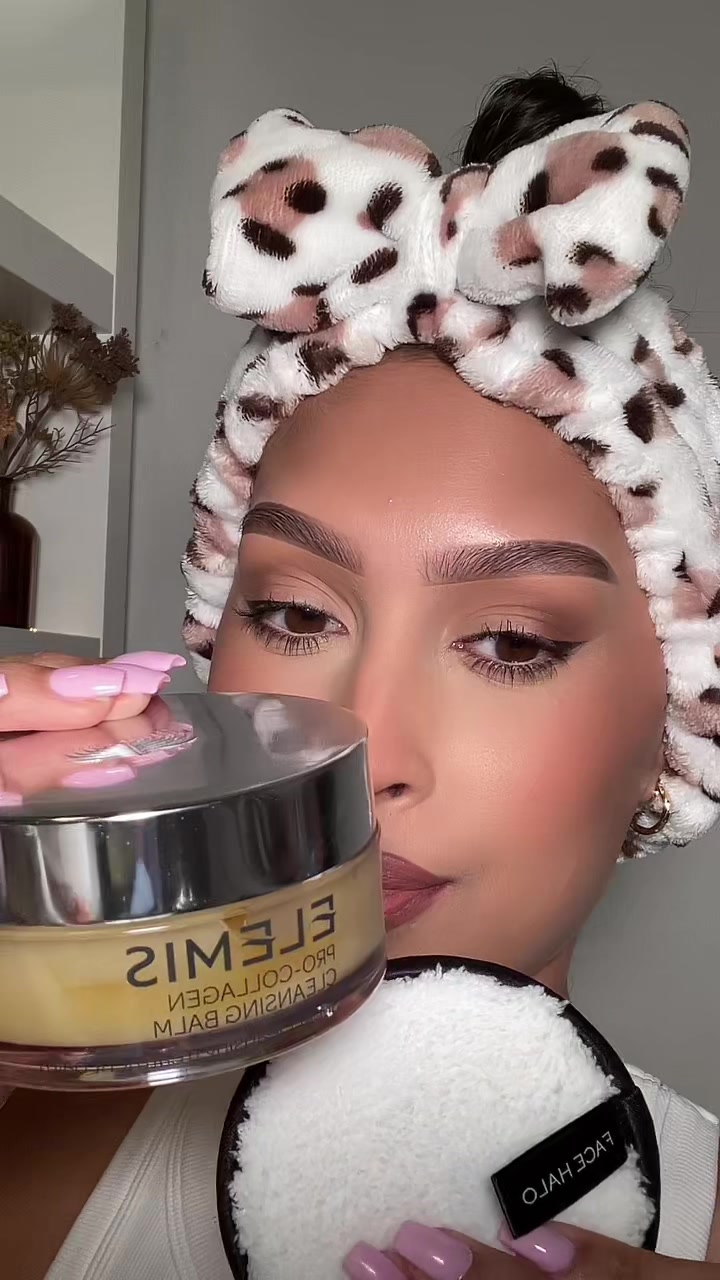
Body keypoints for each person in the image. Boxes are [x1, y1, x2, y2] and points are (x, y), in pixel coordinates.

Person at [0, 68, 719, 1280]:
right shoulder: (26, 1104)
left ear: (679, 728)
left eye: (512, 641)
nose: (362, 745)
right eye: (290, 613)